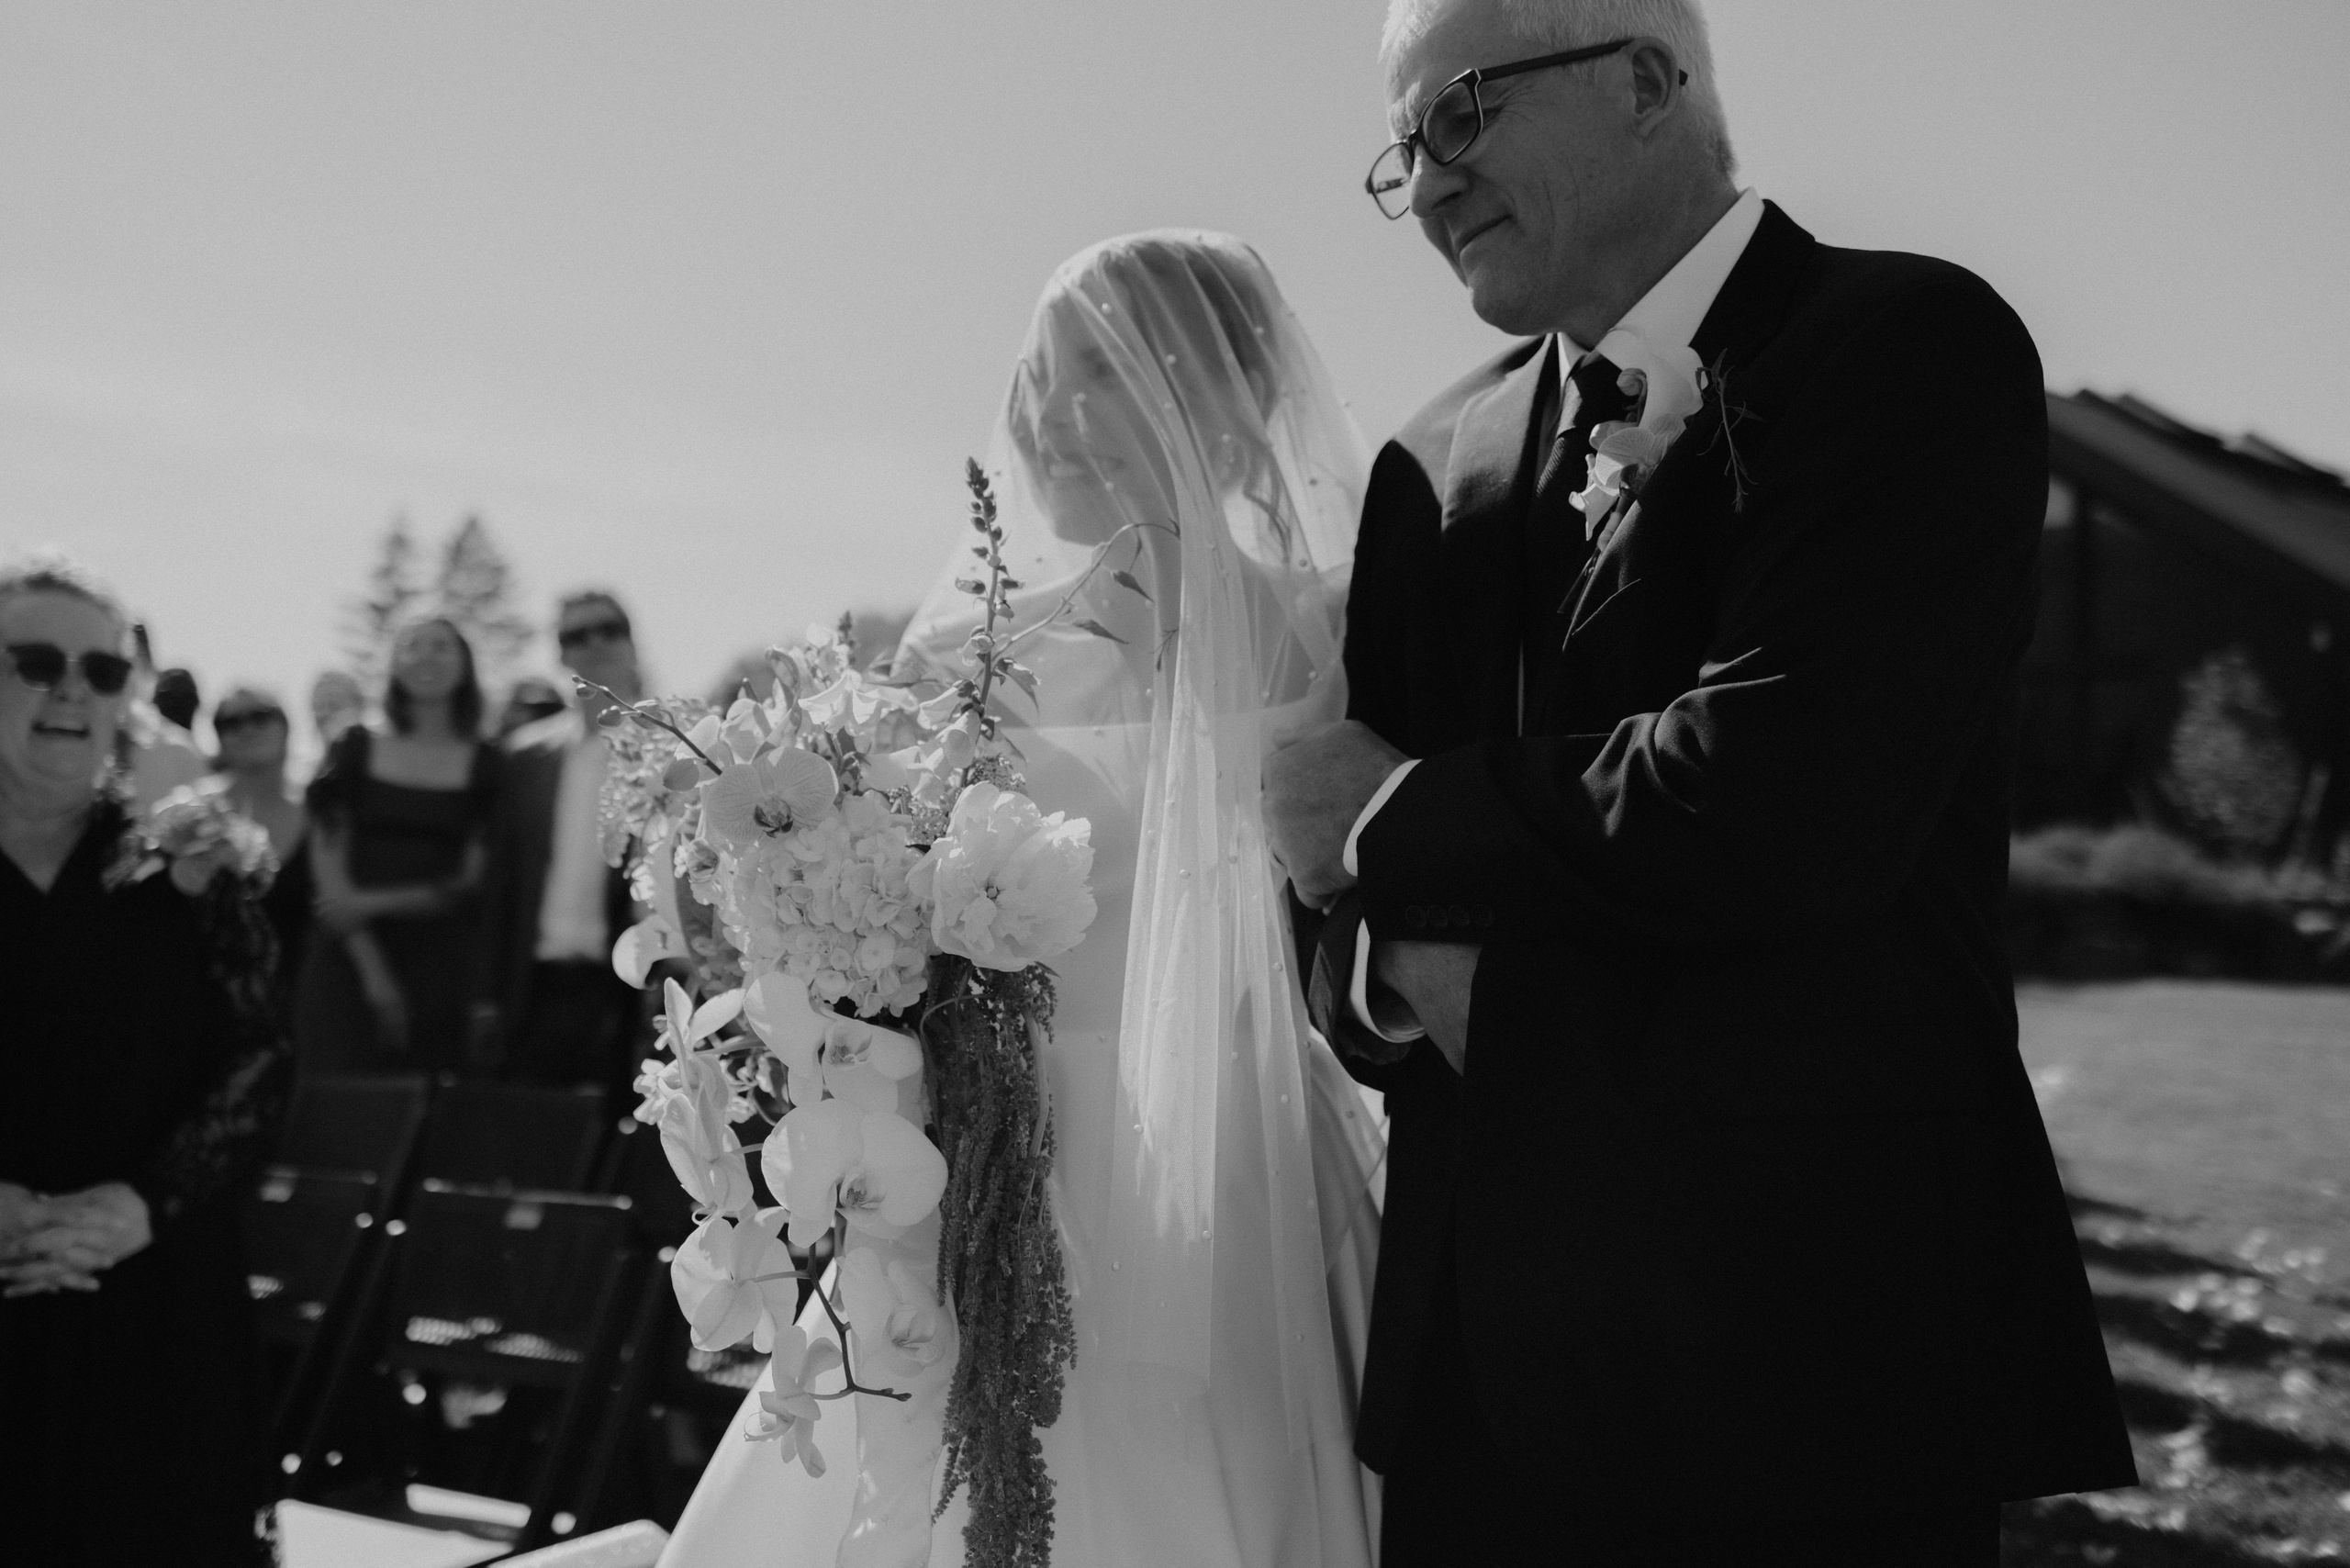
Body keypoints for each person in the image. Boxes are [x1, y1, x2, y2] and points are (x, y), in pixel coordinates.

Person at [1260, 3, 2138, 1564]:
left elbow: (1781, 799)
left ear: (1650, 81)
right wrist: (1390, 963)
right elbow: (1316, 896)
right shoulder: (1422, 465)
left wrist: (1396, 824)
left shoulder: (1906, 348)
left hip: (1812, 1352)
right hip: (1479, 1381)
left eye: (1458, 112)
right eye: (1404, 147)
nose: (1430, 178)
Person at [661, 232, 1389, 1567]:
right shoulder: (968, 650)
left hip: (1241, 1153)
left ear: (1215, 391)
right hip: (1000, 1140)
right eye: (1041, 375)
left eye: (1099, 374)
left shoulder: (1326, 631)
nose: (1049, 415)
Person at [0, 559, 288, 1564]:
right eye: (36, 661)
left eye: (102, 669)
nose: (72, 688)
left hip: (157, 1316)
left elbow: (256, 1067)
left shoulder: (188, 873)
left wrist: (140, 1206)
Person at [296, 617, 498, 1075]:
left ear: (466, 664)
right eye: (412, 646)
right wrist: (374, 974)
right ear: (392, 664)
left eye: (441, 646)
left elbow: (469, 883)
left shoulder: (489, 764)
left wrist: (368, 902)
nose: (426, 656)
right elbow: (330, 876)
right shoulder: (352, 745)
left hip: (439, 969)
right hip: (347, 959)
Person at [475, 591, 645, 1097]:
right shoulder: (525, 759)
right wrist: (485, 996)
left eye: (608, 629)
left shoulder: (675, 752)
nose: (594, 644)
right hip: (533, 992)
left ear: (632, 643)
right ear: (561, 654)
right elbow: (499, 887)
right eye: (576, 635)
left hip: (631, 995)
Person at [213, 684, 315, 1003]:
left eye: (260, 717)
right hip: (213, 1008)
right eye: (230, 723)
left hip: (307, 1002)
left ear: (286, 728)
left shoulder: (319, 815)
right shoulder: (196, 814)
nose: (246, 730)